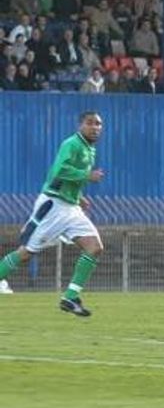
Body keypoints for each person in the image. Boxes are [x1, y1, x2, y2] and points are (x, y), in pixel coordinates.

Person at [0, 111, 106, 316]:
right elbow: (60, 171)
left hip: (71, 207)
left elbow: (67, 179)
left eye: (98, 124)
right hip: (54, 206)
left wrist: (79, 196)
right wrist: (86, 175)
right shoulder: (72, 144)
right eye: (90, 123)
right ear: (80, 125)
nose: (95, 127)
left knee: (94, 247)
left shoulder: (89, 148)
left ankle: (70, 298)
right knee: (25, 253)